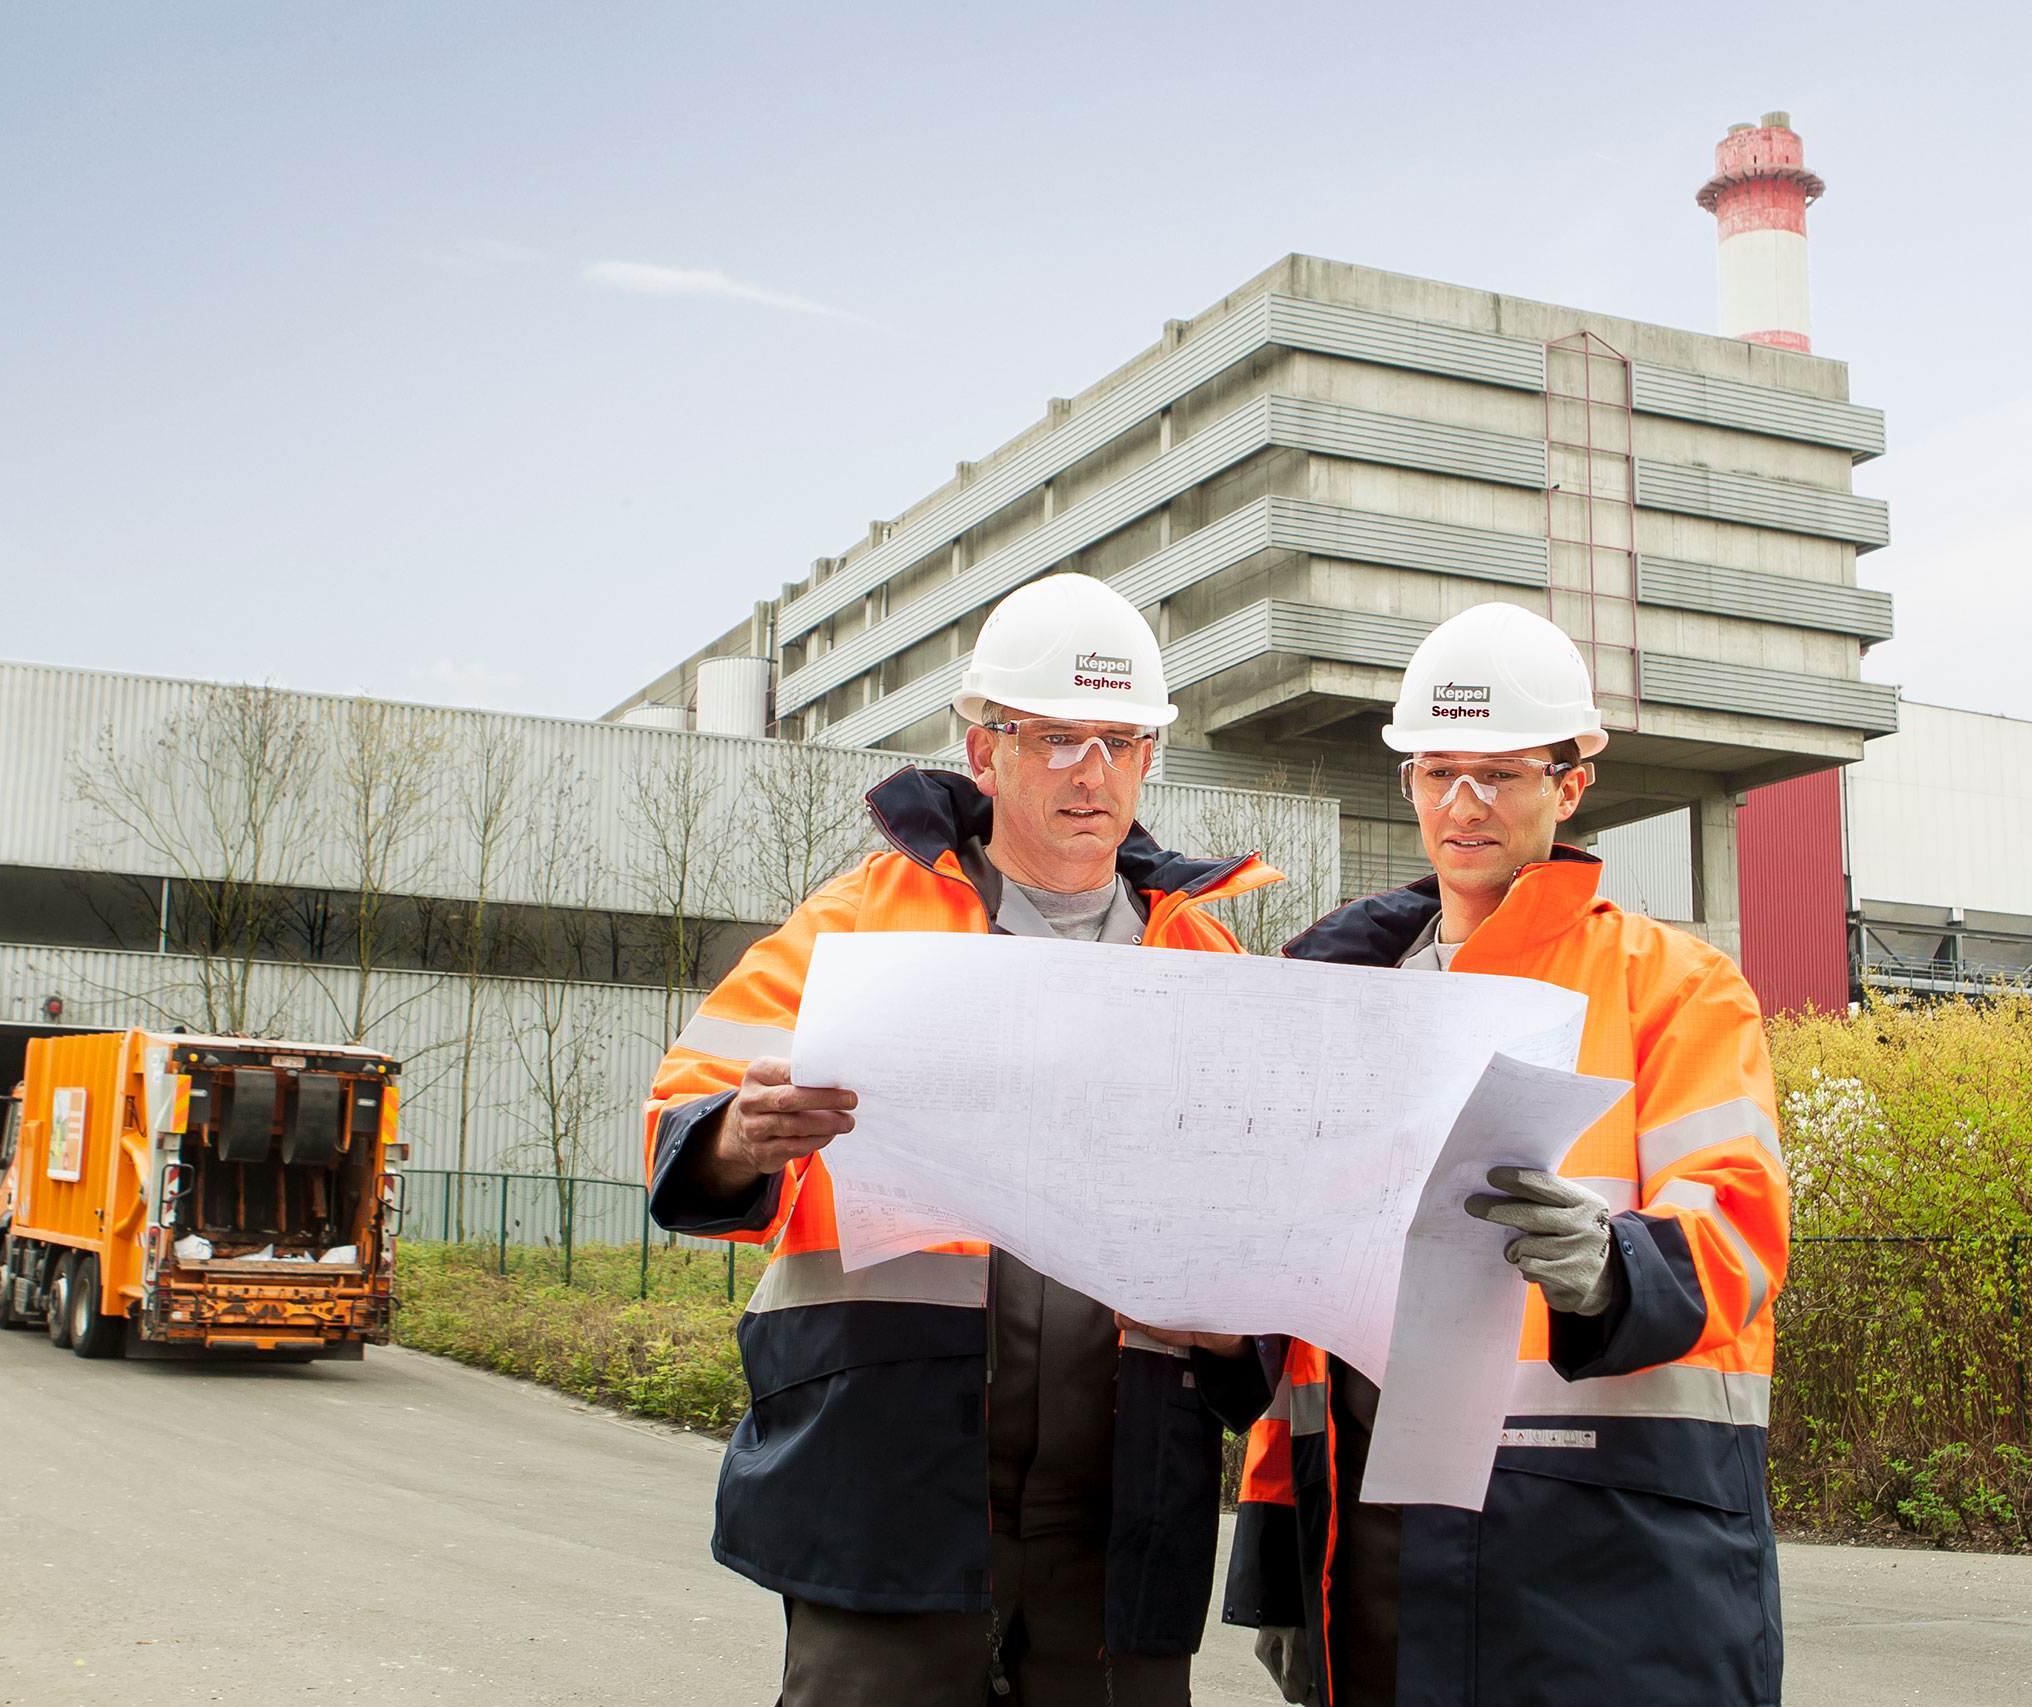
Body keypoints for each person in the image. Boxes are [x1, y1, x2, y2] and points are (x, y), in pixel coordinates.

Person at [643, 573, 1283, 1707]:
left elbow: (1278, 1240)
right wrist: (740, 1134)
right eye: (1055, 740)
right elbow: (687, 1111)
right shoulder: (859, 923)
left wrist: (1237, 1339)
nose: (1093, 773)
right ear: (981, 750)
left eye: (1121, 741)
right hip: (889, 1488)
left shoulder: (1211, 969)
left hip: (1126, 1504)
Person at [1226, 602, 1790, 1707]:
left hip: (1611, 1548)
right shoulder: (1333, 1002)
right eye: (1437, 773)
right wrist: (1276, 1568)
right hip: (1372, 1542)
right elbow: (1295, 1322)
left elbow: (1735, 1225)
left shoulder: (1675, 986)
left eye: (1499, 775)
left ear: (1570, 785)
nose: (1463, 804)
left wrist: (1618, 1265)